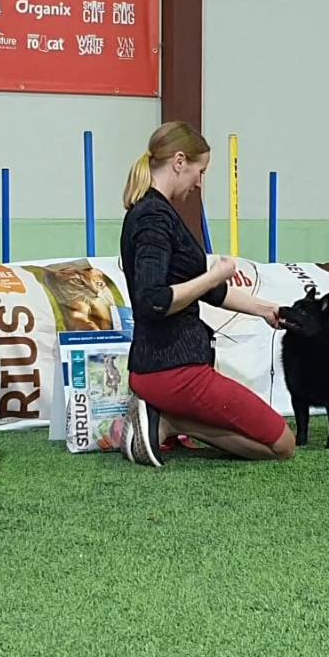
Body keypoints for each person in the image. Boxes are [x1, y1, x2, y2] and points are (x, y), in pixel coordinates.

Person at [117, 121, 297, 466]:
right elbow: (153, 300)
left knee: (277, 442)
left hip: (161, 368)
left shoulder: (155, 212)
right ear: (179, 162)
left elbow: (211, 292)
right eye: (200, 171)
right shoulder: (154, 217)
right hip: (173, 370)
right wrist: (214, 273)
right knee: (283, 445)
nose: (199, 182)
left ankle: (167, 417)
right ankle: (170, 420)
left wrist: (265, 310)